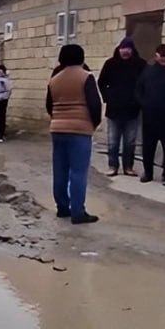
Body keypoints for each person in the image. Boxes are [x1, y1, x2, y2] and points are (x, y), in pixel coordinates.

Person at [47, 44, 102, 225]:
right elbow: (94, 104)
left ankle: (63, 208)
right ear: (81, 57)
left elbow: (49, 104)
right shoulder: (86, 77)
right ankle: (78, 212)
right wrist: (93, 124)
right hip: (80, 129)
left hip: (58, 128)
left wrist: (58, 119)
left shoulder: (54, 79)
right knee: (78, 172)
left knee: (60, 170)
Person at [97, 37, 146, 177]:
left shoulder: (140, 65)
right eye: (123, 49)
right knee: (113, 141)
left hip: (132, 110)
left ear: (132, 50)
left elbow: (145, 84)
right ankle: (113, 166)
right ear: (119, 49)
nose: (125, 52)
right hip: (114, 109)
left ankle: (128, 167)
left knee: (130, 141)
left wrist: (140, 100)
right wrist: (108, 97)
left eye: (128, 49)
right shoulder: (111, 64)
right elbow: (101, 82)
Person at [135, 44, 165, 185]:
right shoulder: (148, 71)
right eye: (162, 58)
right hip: (150, 115)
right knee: (148, 147)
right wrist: (143, 103)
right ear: (157, 56)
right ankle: (148, 172)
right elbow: (138, 89)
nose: (164, 61)